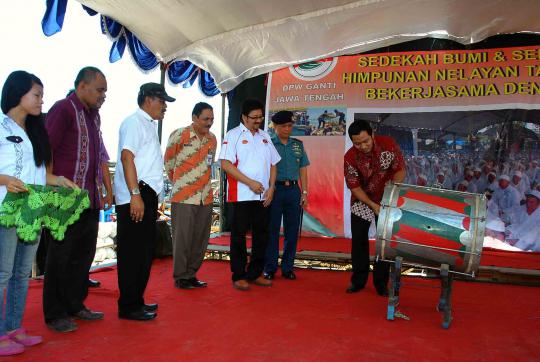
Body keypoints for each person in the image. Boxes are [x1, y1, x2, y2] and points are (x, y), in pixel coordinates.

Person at [0, 71, 79, 355]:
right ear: (18, 93)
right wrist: (5, 180)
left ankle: (12, 328)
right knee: (3, 272)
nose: (41, 101)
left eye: (42, 96)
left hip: (33, 208)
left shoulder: (37, 131)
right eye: (37, 95)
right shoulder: (0, 125)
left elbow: (39, 173)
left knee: (22, 273)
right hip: (6, 208)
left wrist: (59, 180)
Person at [43, 67, 112, 333]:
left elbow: (101, 157)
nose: (103, 95)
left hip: (90, 198)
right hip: (64, 198)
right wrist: (50, 187)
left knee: (83, 255)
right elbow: (46, 147)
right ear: (81, 87)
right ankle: (55, 313)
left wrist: (104, 191)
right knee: (60, 256)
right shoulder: (63, 109)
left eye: (105, 91)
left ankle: (75, 304)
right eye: (99, 90)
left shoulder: (95, 117)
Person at [114, 83, 175, 320]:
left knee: (144, 251)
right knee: (132, 252)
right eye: (162, 101)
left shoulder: (148, 125)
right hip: (136, 194)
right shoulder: (133, 122)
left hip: (145, 194)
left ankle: (136, 300)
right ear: (148, 100)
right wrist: (135, 195)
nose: (165, 107)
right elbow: (127, 157)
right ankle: (128, 305)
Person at [218, 99, 281, 291]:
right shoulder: (233, 135)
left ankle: (255, 273)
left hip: (263, 196)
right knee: (238, 236)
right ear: (244, 117)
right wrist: (250, 183)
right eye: (254, 117)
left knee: (262, 235)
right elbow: (226, 164)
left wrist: (271, 188)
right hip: (242, 195)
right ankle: (238, 275)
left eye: (260, 117)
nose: (258, 121)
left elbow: (273, 163)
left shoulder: (265, 136)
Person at [344, 120, 405, 296]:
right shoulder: (350, 158)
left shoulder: (388, 145)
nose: (362, 146)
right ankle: (358, 280)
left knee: (383, 241)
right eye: (357, 143)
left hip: (386, 198)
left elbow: (400, 169)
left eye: (366, 141)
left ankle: (381, 283)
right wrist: (372, 205)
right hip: (362, 199)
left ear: (372, 134)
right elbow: (354, 187)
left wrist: (392, 189)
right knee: (359, 240)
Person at [164, 102, 217, 289]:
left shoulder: (212, 139)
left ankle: (192, 273)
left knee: (200, 238)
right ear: (194, 118)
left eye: (212, 119)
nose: (209, 123)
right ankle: (181, 276)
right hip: (184, 196)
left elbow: (210, 164)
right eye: (205, 119)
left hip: (205, 196)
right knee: (183, 238)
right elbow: (169, 162)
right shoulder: (180, 134)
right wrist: (180, 183)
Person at [263, 111, 309, 281]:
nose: (287, 129)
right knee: (272, 230)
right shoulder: (267, 144)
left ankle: (288, 267)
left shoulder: (298, 145)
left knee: (292, 231)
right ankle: (270, 268)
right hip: (275, 190)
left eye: (290, 126)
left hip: (293, 191)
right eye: (283, 126)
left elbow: (303, 169)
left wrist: (304, 192)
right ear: (275, 127)